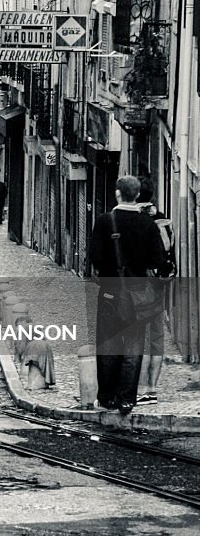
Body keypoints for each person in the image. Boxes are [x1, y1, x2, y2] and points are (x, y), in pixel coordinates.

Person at [90, 175, 165, 416]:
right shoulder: (148, 224)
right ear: (137, 196)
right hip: (138, 295)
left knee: (109, 345)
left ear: (118, 194)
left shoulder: (104, 221)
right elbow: (158, 261)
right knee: (133, 347)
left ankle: (106, 398)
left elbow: (95, 258)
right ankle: (126, 400)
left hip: (110, 293)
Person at [136, 178, 177, 406]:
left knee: (138, 337)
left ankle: (141, 389)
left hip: (140, 285)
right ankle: (152, 389)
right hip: (159, 284)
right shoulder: (163, 219)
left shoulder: (136, 221)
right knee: (156, 338)